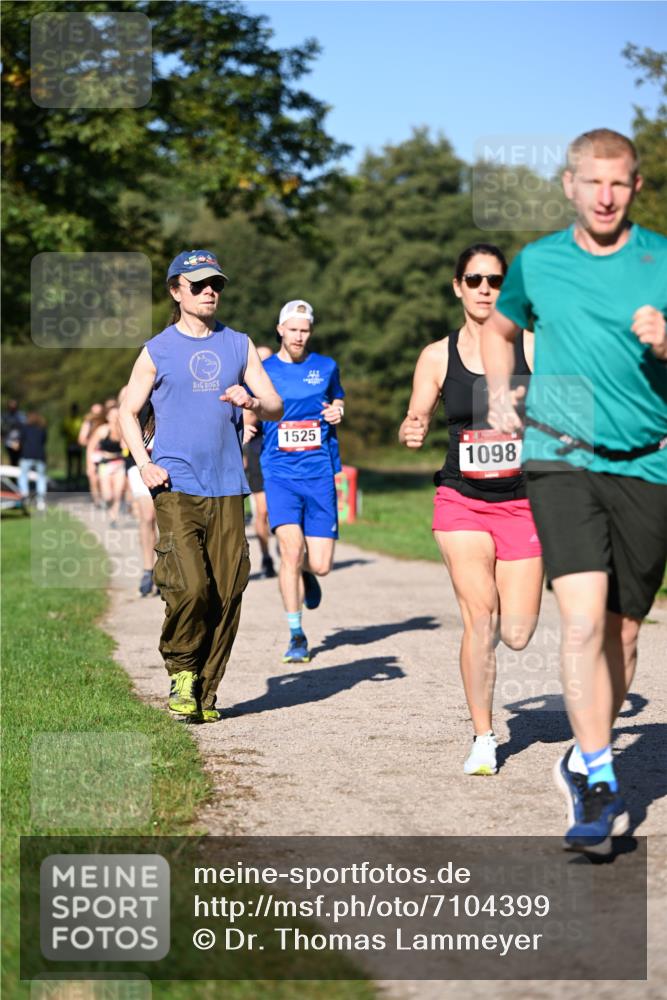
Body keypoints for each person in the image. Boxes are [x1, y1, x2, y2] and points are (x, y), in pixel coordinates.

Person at [481, 128, 667, 855]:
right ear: (568, 185)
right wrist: (501, 394)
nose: (603, 195)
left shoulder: (660, 260)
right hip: (560, 452)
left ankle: (585, 748)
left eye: (617, 183)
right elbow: (499, 329)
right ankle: (594, 776)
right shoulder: (539, 262)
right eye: (591, 182)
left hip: (649, 463)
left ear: (635, 188)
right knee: (583, 622)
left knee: (622, 633)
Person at [119, 249, 283, 722]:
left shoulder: (239, 344)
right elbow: (128, 411)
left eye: (216, 284)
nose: (210, 290)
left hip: (229, 484)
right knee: (190, 585)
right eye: (199, 284)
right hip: (175, 483)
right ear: (176, 291)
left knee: (228, 589)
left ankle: (204, 693)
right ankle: (182, 670)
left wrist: (250, 399)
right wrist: (144, 464)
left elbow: (274, 404)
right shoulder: (157, 349)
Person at [399, 244, 543, 776]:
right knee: (480, 619)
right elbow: (415, 417)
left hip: (524, 502)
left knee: (519, 632)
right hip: (461, 500)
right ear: (457, 286)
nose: (486, 289)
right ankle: (484, 736)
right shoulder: (438, 356)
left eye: (496, 280)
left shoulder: (535, 347)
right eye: (475, 279)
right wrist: (411, 428)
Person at [258, 300, 345, 664]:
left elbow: (337, 397)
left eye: (304, 330)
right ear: (280, 330)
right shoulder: (262, 370)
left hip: (320, 471)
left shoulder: (325, 367)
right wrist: (248, 420)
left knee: (321, 564)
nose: (299, 336)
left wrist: (339, 408)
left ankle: (308, 573)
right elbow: (250, 405)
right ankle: (296, 633)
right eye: (293, 329)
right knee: (290, 551)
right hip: (279, 473)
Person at [243, 346, 277, 579]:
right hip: (257, 449)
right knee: (262, 511)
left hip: (282, 449)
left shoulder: (281, 382)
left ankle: (288, 545)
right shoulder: (247, 384)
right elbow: (245, 416)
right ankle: (266, 556)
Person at [87, 403, 127, 526]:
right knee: (108, 495)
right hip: (105, 464)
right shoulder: (103, 430)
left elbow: (127, 448)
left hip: (119, 463)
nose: (115, 417)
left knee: (118, 492)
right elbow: (90, 447)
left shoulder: (124, 429)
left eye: (117, 415)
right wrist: (90, 465)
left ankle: (113, 516)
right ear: (108, 416)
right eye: (112, 415)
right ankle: (110, 507)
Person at [18, 411, 48, 511]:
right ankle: (41, 501)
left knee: (23, 475)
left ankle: (25, 495)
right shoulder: (42, 429)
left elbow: (21, 441)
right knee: (41, 478)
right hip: (40, 455)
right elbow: (44, 441)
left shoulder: (25, 428)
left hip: (27, 455)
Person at [78, 403, 105, 507]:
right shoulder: (88, 423)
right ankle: (97, 500)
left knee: (102, 477)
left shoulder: (106, 422)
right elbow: (81, 440)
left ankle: (104, 498)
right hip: (93, 454)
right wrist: (92, 443)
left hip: (104, 454)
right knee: (93, 477)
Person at [61, 402, 84, 482]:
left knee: (77, 464)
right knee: (71, 464)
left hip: (77, 444)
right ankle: (70, 480)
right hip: (70, 444)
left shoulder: (80, 419)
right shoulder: (68, 420)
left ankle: (77, 481)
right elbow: (63, 432)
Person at [2, 399, 26, 466]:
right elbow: (3, 428)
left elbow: (24, 429)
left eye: (14, 405)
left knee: (19, 459)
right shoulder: (4, 416)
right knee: (12, 459)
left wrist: (19, 441)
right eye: (11, 405)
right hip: (8, 441)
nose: (12, 406)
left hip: (19, 441)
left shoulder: (21, 416)